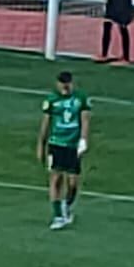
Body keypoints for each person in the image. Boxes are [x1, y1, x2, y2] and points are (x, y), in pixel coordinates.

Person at [36, 69, 91, 229]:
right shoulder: (52, 100)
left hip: (73, 145)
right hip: (56, 143)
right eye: (62, 83)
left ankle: (66, 205)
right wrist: (41, 144)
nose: (65, 86)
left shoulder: (81, 98)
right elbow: (45, 124)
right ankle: (58, 215)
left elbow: (85, 120)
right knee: (56, 178)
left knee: (73, 182)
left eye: (67, 83)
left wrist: (83, 140)